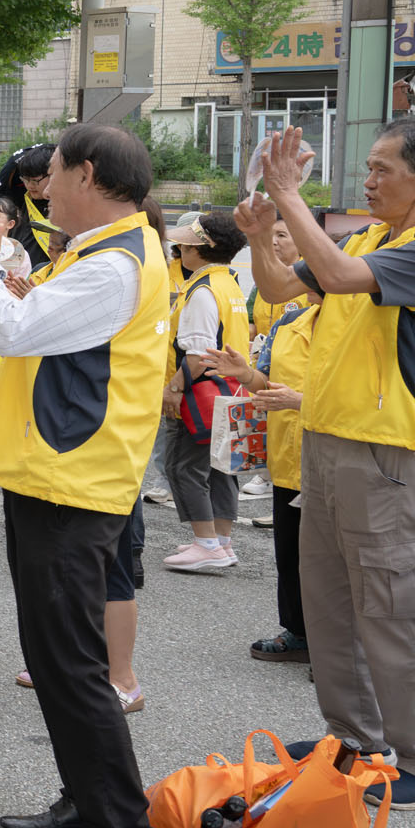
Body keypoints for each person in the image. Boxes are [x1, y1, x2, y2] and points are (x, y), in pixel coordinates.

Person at [0, 123, 171, 828]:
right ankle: (87, 803)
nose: (40, 191)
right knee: (57, 660)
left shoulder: (114, 262)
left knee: (70, 666)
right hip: (56, 476)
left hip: (74, 482)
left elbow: (12, 329)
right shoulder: (103, 251)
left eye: (53, 175)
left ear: (89, 175)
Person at [240, 120, 415, 812]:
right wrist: (260, 233)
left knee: (395, 610)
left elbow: (340, 278)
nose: (367, 182)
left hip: (388, 450)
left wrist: (288, 195)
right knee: (331, 606)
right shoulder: (371, 238)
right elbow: (278, 288)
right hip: (328, 438)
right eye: (367, 168)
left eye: (381, 170)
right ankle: (353, 740)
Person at [200, 279, 321, 666]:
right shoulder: (290, 323)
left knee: (331, 562)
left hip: (331, 459)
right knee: (291, 554)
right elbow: (267, 382)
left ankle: (337, 648)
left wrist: (300, 401)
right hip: (287, 457)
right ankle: (298, 633)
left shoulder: (358, 327)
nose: (307, 280)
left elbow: (362, 395)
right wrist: (246, 374)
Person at [159, 211, 250, 572]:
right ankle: (221, 541)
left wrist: (174, 388)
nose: (180, 250)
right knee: (220, 467)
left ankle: (206, 543)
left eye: (185, 246)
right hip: (230, 390)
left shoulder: (202, 290)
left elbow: (197, 354)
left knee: (183, 466)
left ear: (199, 249)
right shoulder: (229, 283)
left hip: (201, 392)